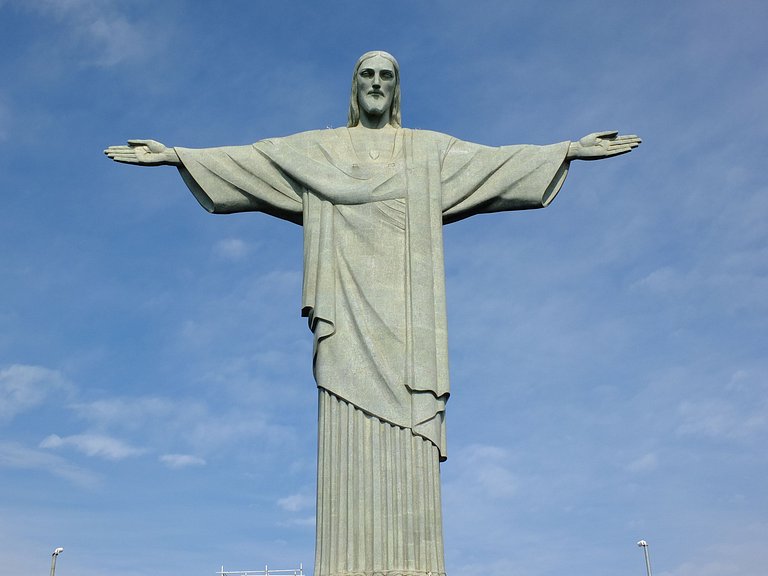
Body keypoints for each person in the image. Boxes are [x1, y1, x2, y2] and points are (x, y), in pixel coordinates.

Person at [106, 50, 640, 576]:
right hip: (345, 316)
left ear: (397, 88)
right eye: (368, 74)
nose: (378, 83)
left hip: (409, 325)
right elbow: (256, 160)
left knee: (410, 431)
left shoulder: (427, 153)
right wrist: (178, 155)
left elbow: (494, 163)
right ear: (354, 87)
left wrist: (568, 150)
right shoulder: (320, 150)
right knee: (345, 423)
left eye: (388, 75)